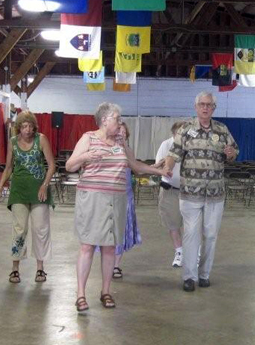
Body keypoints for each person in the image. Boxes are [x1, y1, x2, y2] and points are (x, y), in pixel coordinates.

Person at [66, 102, 170, 312]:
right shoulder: (88, 138)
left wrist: (158, 171)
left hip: (117, 199)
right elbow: (70, 166)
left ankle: (106, 291)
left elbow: (135, 166)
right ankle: (80, 294)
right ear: (105, 120)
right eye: (117, 118)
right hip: (92, 199)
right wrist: (86, 156)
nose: (120, 122)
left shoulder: (121, 141)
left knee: (110, 247)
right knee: (87, 246)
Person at [165, 91, 238, 292]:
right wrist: (168, 167)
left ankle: (204, 274)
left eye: (209, 105)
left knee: (211, 235)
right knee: (191, 235)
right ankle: (189, 276)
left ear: (214, 108)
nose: (205, 108)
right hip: (190, 193)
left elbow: (233, 152)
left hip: (215, 193)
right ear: (196, 107)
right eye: (202, 104)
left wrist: (231, 154)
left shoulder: (222, 130)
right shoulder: (186, 129)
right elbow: (174, 152)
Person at [0, 110, 55, 284]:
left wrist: (44, 185)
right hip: (19, 190)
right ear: (18, 128)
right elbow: (9, 167)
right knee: (19, 229)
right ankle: (15, 269)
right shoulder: (13, 142)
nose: (27, 130)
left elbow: (51, 166)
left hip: (39, 191)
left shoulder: (41, 139)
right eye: (23, 126)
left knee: (40, 229)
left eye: (30, 126)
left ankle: (40, 268)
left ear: (34, 127)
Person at [112, 123, 142, 279]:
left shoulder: (128, 151)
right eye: (119, 131)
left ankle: (116, 265)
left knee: (122, 232)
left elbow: (136, 168)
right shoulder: (108, 149)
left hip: (127, 196)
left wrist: (156, 167)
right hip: (111, 197)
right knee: (110, 232)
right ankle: (109, 263)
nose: (121, 134)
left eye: (124, 132)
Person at [155, 121, 185, 267]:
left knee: (194, 225)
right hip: (170, 189)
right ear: (173, 134)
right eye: (179, 133)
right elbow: (160, 165)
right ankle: (179, 252)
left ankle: (195, 253)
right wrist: (165, 168)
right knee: (173, 224)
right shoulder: (165, 145)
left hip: (191, 192)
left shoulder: (192, 145)